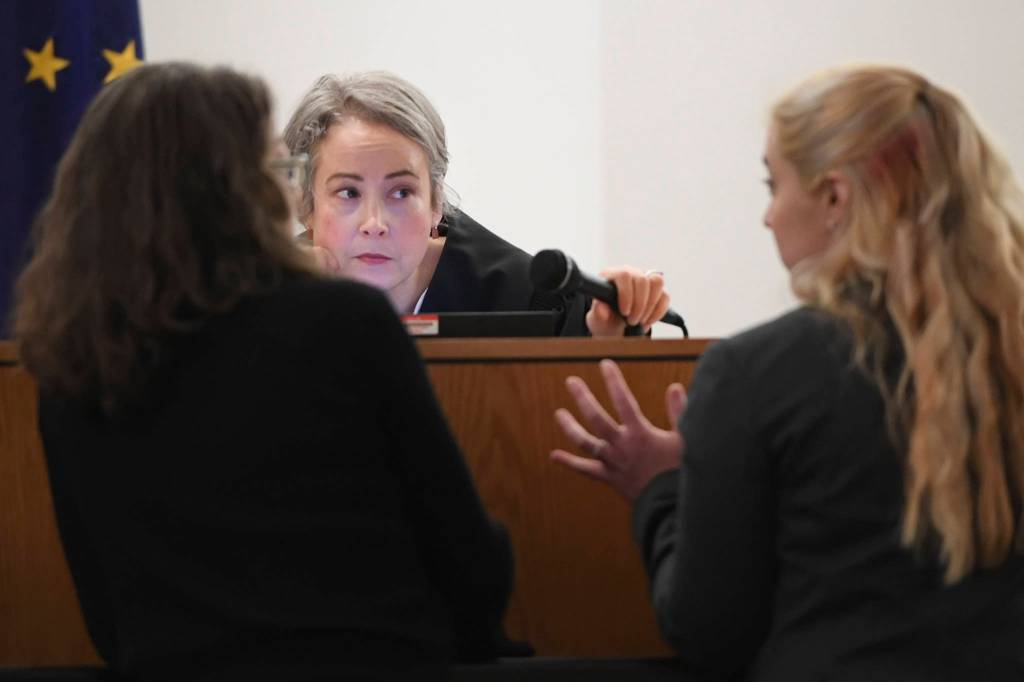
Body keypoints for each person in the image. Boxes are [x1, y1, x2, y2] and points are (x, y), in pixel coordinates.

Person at [13, 63, 511, 682]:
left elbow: (107, 620)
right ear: (234, 191)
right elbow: (475, 572)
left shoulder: (68, 366)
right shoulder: (342, 322)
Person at [551, 65, 1024, 681]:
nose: (768, 217)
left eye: (774, 185)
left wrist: (663, 489)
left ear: (834, 197)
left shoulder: (754, 375)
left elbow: (706, 631)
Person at [283, 71, 670, 336]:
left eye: (401, 193)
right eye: (348, 193)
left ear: (436, 203)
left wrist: (610, 338)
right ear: (306, 205)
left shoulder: (531, 304)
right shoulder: (264, 298)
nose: (374, 223)